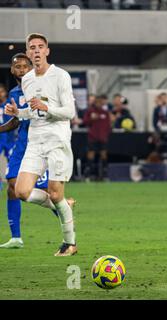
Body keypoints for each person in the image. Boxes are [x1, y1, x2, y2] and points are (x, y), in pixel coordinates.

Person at [5, 33, 77, 256]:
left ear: (47, 51)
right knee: (21, 191)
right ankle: (64, 205)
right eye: (32, 47)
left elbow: (70, 112)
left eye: (40, 47)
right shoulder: (27, 80)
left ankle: (70, 243)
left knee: (55, 194)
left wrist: (48, 109)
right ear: (28, 53)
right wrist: (19, 112)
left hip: (57, 141)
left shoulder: (60, 76)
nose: (36, 51)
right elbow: (33, 113)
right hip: (35, 142)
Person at [0, 53, 58, 249]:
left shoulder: (40, 87)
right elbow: (17, 120)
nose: (22, 69)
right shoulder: (15, 93)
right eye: (18, 66)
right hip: (22, 145)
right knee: (11, 186)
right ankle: (16, 237)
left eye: (25, 66)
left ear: (31, 68)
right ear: (12, 70)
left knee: (47, 191)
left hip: (40, 144)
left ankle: (67, 221)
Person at [83, 95, 112, 181]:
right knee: (91, 156)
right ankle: (88, 175)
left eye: (101, 102)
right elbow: (85, 122)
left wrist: (106, 135)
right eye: (98, 102)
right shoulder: (90, 112)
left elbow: (108, 125)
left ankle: (104, 175)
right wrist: (91, 119)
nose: (99, 104)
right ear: (95, 103)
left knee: (103, 155)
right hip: (93, 138)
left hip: (102, 139)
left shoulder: (105, 113)